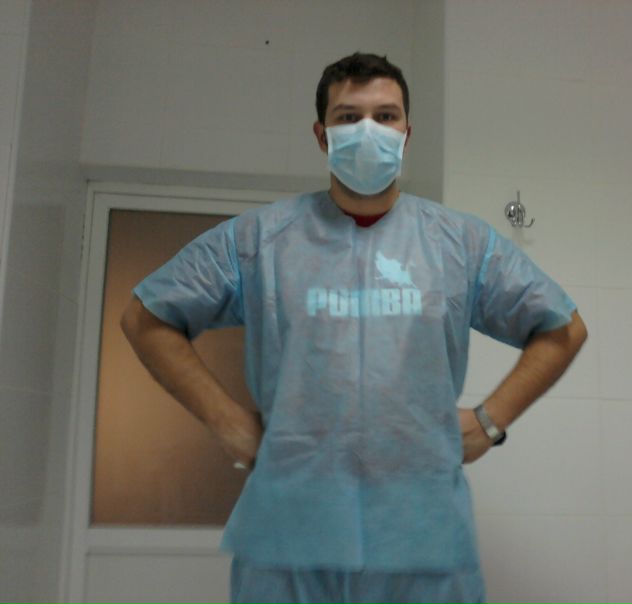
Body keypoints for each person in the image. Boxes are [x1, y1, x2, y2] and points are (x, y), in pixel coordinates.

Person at [119, 52, 587, 604]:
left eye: (385, 116)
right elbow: (146, 317)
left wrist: (489, 423)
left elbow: (562, 329)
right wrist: (225, 420)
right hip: (289, 538)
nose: (369, 130)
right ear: (322, 136)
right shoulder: (258, 241)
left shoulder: (460, 244)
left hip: (422, 540)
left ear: (406, 134)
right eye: (349, 117)